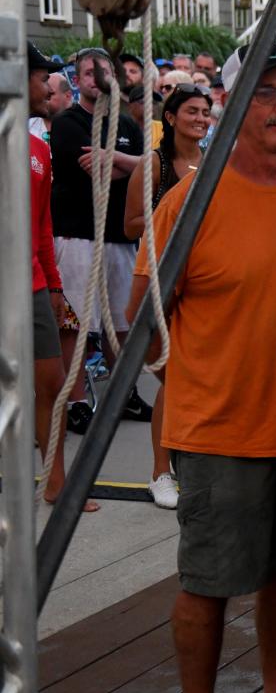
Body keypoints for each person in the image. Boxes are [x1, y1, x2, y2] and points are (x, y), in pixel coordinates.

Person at [130, 43, 276, 693]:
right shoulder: (190, 200)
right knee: (210, 583)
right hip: (217, 432)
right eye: (269, 94)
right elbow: (145, 324)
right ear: (232, 104)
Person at [49, 46, 151, 434]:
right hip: (77, 235)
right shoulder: (67, 123)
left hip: (118, 236)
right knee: (75, 325)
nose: (98, 79)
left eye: (104, 72)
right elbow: (87, 173)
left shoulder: (127, 125)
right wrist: (128, 164)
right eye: (89, 73)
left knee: (119, 323)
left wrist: (116, 161)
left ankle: (123, 394)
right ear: (78, 80)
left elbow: (148, 168)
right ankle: (75, 401)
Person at [124, 82, 211, 510]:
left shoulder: (214, 164)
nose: (199, 118)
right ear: (171, 118)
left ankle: (192, 463)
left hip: (202, 283)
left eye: (205, 112)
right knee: (172, 381)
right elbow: (129, 225)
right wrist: (171, 220)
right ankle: (161, 472)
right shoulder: (153, 165)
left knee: (189, 380)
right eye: (191, 111)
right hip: (159, 279)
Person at [27, 42, 97, 512]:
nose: (47, 86)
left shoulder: (38, 147)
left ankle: (57, 484)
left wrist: (53, 284)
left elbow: (44, 223)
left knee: (50, 384)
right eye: (40, 77)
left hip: (31, 285)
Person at [29, 70, 72, 142]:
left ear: (67, 95)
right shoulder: (27, 126)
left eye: (51, 93)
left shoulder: (83, 125)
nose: (46, 95)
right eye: (43, 91)